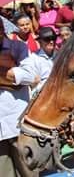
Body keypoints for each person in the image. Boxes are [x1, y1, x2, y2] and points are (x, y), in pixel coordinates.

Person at [0, 19, 37, 177]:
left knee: (28, 171)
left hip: (17, 123)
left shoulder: (18, 47)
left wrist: (5, 74)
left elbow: (31, 76)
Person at [7, 27, 56, 95]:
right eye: (47, 39)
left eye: (54, 38)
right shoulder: (32, 59)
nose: (51, 42)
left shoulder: (61, 55)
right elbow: (32, 84)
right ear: (40, 41)